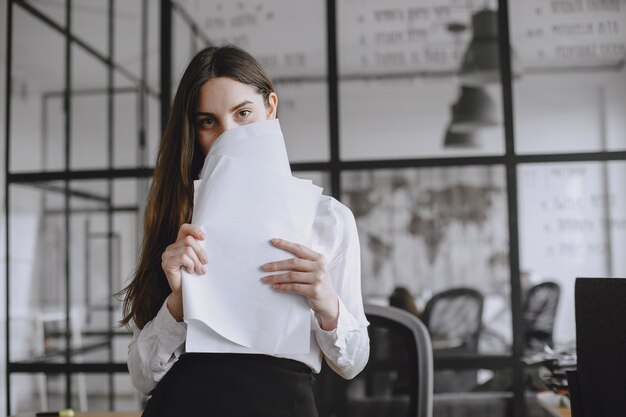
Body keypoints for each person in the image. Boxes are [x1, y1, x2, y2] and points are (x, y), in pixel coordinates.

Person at [118, 45, 369, 417]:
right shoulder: (178, 215)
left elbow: (352, 362)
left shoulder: (326, 218)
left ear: (271, 108)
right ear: (194, 131)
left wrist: (327, 302)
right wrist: (180, 303)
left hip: (283, 403)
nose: (227, 136)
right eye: (209, 122)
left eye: (243, 114)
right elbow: (142, 377)